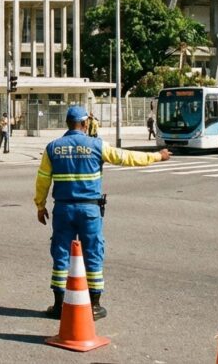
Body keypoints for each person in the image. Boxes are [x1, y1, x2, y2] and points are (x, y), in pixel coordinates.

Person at [35, 105, 170, 321]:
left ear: (68, 123)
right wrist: (157, 156)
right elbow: (126, 157)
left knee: (61, 254)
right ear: (85, 123)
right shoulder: (97, 145)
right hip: (89, 210)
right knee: (93, 252)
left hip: (63, 209)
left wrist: (40, 206)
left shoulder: (52, 148)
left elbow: (42, 179)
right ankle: (95, 305)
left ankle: (59, 305)